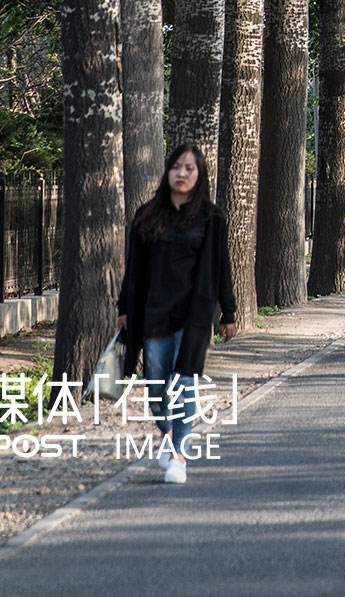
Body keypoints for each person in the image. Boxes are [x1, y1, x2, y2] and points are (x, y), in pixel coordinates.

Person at [116, 143, 236, 483]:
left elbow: (222, 268)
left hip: (193, 315)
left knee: (184, 382)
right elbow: (133, 268)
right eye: (176, 167)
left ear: (200, 175)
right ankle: (167, 434)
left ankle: (179, 454)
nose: (182, 174)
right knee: (156, 387)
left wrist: (228, 311)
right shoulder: (147, 215)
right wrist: (124, 308)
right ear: (167, 171)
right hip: (153, 313)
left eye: (189, 168)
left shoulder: (212, 218)